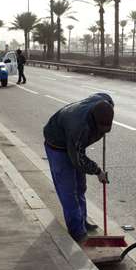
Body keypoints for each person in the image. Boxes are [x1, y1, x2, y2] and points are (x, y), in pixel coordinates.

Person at [43, 93, 114, 242]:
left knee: (81, 187)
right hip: (58, 145)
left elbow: (104, 95)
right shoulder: (79, 127)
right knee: (69, 191)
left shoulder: (105, 103)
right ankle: (77, 232)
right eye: (100, 128)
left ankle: (82, 221)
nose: (102, 132)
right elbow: (78, 160)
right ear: (93, 120)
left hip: (74, 145)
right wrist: (98, 171)